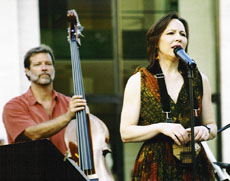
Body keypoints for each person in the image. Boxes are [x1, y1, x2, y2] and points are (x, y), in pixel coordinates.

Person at [120, 12, 217, 180]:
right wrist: (160, 127)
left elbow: (212, 127)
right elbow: (126, 133)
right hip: (155, 168)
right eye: (171, 33)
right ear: (156, 41)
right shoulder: (139, 81)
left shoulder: (199, 79)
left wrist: (205, 130)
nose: (178, 38)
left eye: (183, 34)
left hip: (194, 167)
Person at [2, 44, 86, 155]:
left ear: (53, 69)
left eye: (48, 64)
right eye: (37, 64)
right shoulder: (14, 106)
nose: (44, 68)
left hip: (67, 171)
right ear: (27, 71)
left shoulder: (70, 103)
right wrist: (67, 116)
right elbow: (33, 134)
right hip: (30, 171)